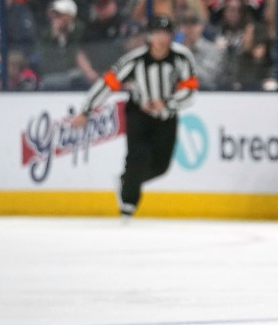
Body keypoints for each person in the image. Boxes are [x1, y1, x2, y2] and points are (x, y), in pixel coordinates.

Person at [71, 16, 198, 220]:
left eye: (165, 34)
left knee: (161, 166)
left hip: (166, 116)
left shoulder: (181, 57)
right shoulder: (135, 60)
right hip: (139, 113)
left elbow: (190, 90)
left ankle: (126, 181)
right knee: (136, 157)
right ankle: (128, 205)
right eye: (156, 33)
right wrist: (86, 110)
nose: (160, 39)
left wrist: (167, 103)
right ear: (148, 36)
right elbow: (108, 84)